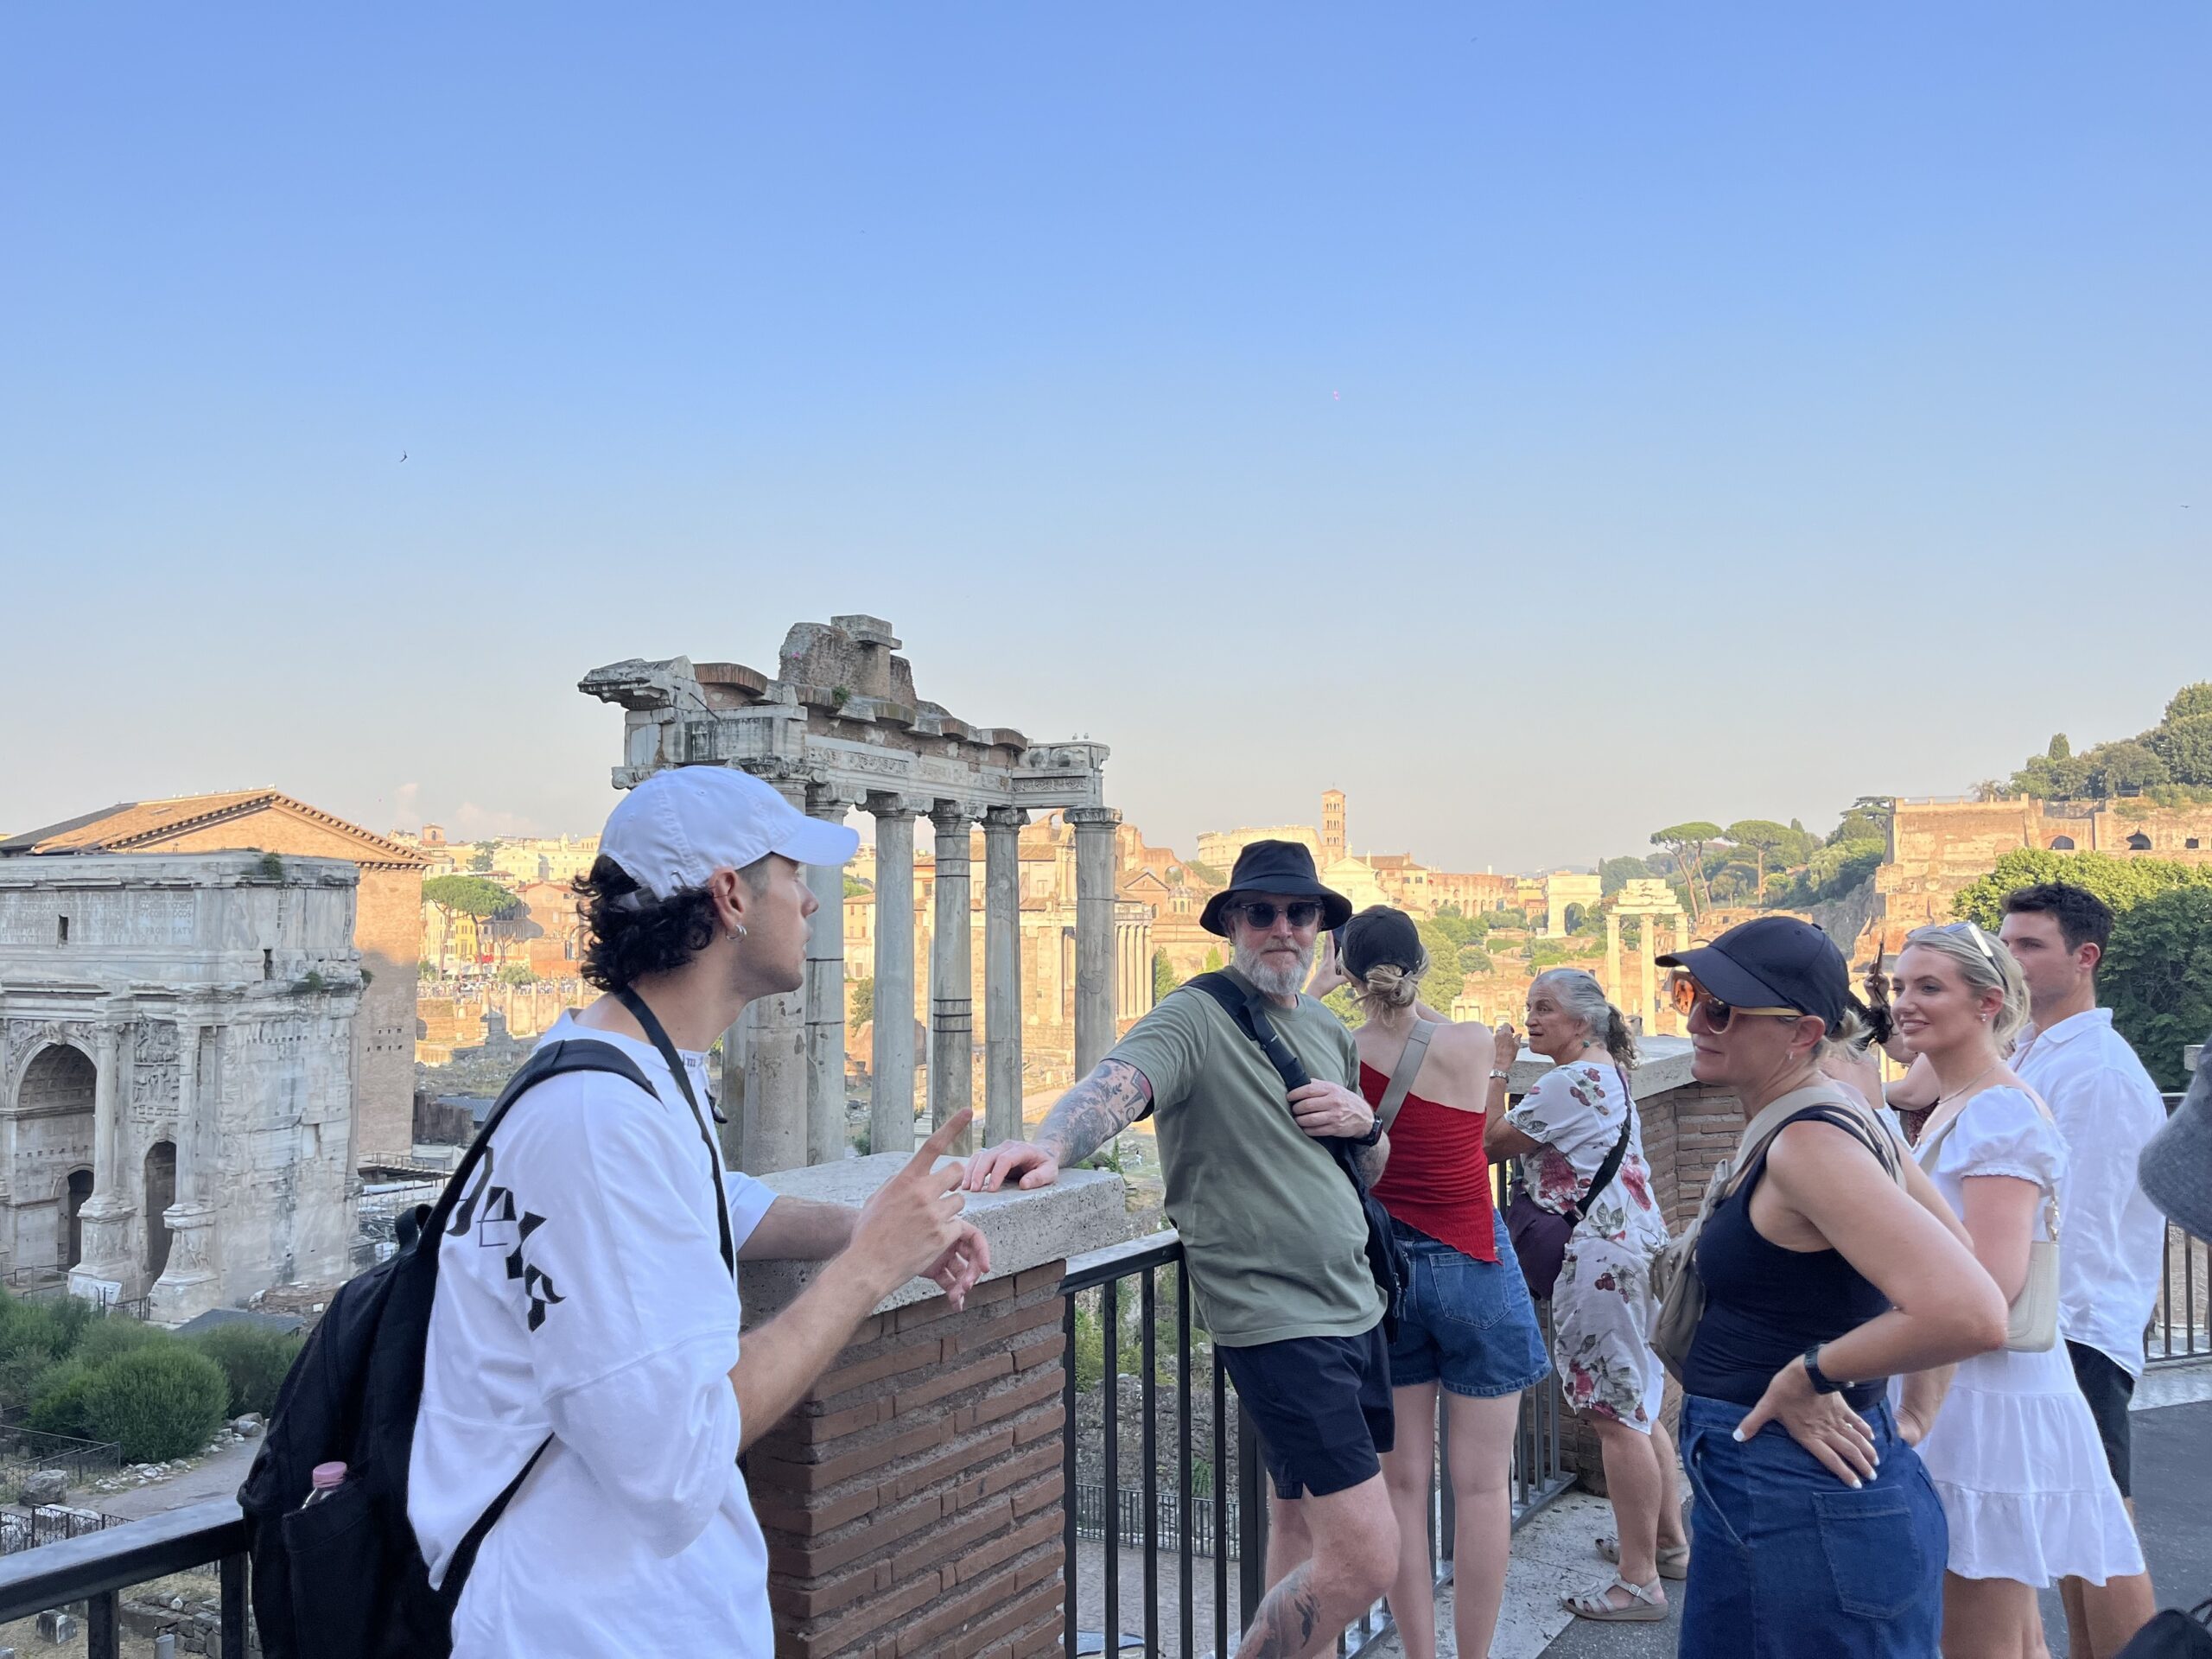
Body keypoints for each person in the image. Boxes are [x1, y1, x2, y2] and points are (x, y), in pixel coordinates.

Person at [410, 767, 988, 1658]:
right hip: (582, 1630)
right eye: (794, 876)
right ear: (729, 896)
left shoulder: (622, 1067)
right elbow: (673, 1462)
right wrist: (866, 1267)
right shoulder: (594, 1121)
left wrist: (871, 1222)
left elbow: (707, 1204)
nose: (812, 905)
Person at [965, 841, 1395, 1659]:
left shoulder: (1330, 1032)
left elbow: (1369, 1168)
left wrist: (1364, 1123)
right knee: (1369, 1557)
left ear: (1319, 930)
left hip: (1356, 1299)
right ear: (1232, 924)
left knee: (1299, 1520)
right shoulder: (1195, 1014)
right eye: (1261, 913)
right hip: (1277, 1319)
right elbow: (1119, 1083)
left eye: (1299, 914)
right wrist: (1051, 1145)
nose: (1282, 929)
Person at [1655, 916, 2009, 1659]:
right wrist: (1908, 1421)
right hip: (1791, 1483)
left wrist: (1811, 1373)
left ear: (1801, 1031)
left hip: (1795, 1493)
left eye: (1722, 1009)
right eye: (1689, 994)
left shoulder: (1809, 1143)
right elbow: (1961, 1252)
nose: (1694, 1020)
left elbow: (1971, 1308)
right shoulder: (1844, 1113)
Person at [1888, 922, 2145, 1657]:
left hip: (1982, 1395)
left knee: (1978, 1637)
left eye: (1930, 987)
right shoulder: (1963, 1097)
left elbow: (1995, 1281)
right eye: (1902, 986)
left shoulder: (1996, 1109)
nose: (1906, 1003)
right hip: (1970, 1384)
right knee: (2003, 1634)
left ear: (1987, 1003)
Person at [1306, 907, 1548, 1659]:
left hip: (1388, 1279)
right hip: (1473, 1262)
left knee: (1402, 1489)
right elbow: (1478, 1132)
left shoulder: (1335, 1050)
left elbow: (1293, 1043)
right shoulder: (1473, 1043)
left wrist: (1320, 991)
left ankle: (1419, 1653)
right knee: (1481, 1492)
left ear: (1347, 971)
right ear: (1422, 966)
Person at [1999, 883, 2167, 1658]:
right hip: (2050, 1319)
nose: (2013, 960)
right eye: (2008, 944)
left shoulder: (2095, 1070)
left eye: (2031, 946)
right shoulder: (2036, 1047)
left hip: (2076, 1322)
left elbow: (2085, 1220)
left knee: (2099, 1520)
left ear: (2084, 957)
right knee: (2072, 1518)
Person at [1484, 969, 1681, 1624]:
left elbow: (1488, 1143)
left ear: (1584, 1022)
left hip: (1602, 1260)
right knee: (1640, 1403)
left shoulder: (1568, 1081)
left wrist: (1496, 1068)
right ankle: (1669, 1543)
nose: (1532, 1018)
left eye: (1546, 1009)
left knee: (1613, 1418)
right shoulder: (1608, 1072)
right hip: (1636, 1247)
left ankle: (1639, 1583)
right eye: (1529, 1006)